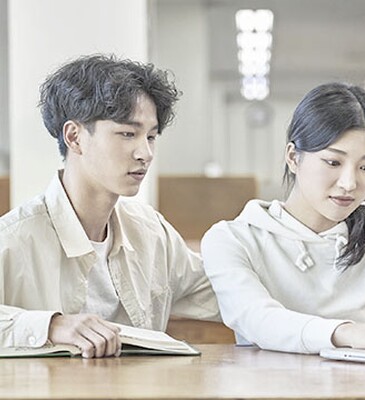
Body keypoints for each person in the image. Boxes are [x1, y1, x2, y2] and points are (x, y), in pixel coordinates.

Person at [0, 54, 219, 358]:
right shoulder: (13, 239)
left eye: (151, 137)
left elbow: (226, 294)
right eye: (128, 134)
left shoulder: (151, 232)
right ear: (74, 137)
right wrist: (51, 326)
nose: (145, 153)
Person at [201, 82, 365, 354]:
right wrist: (347, 332)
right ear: (294, 157)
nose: (349, 183)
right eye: (333, 162)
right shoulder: (233, 239)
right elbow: (259, 320)